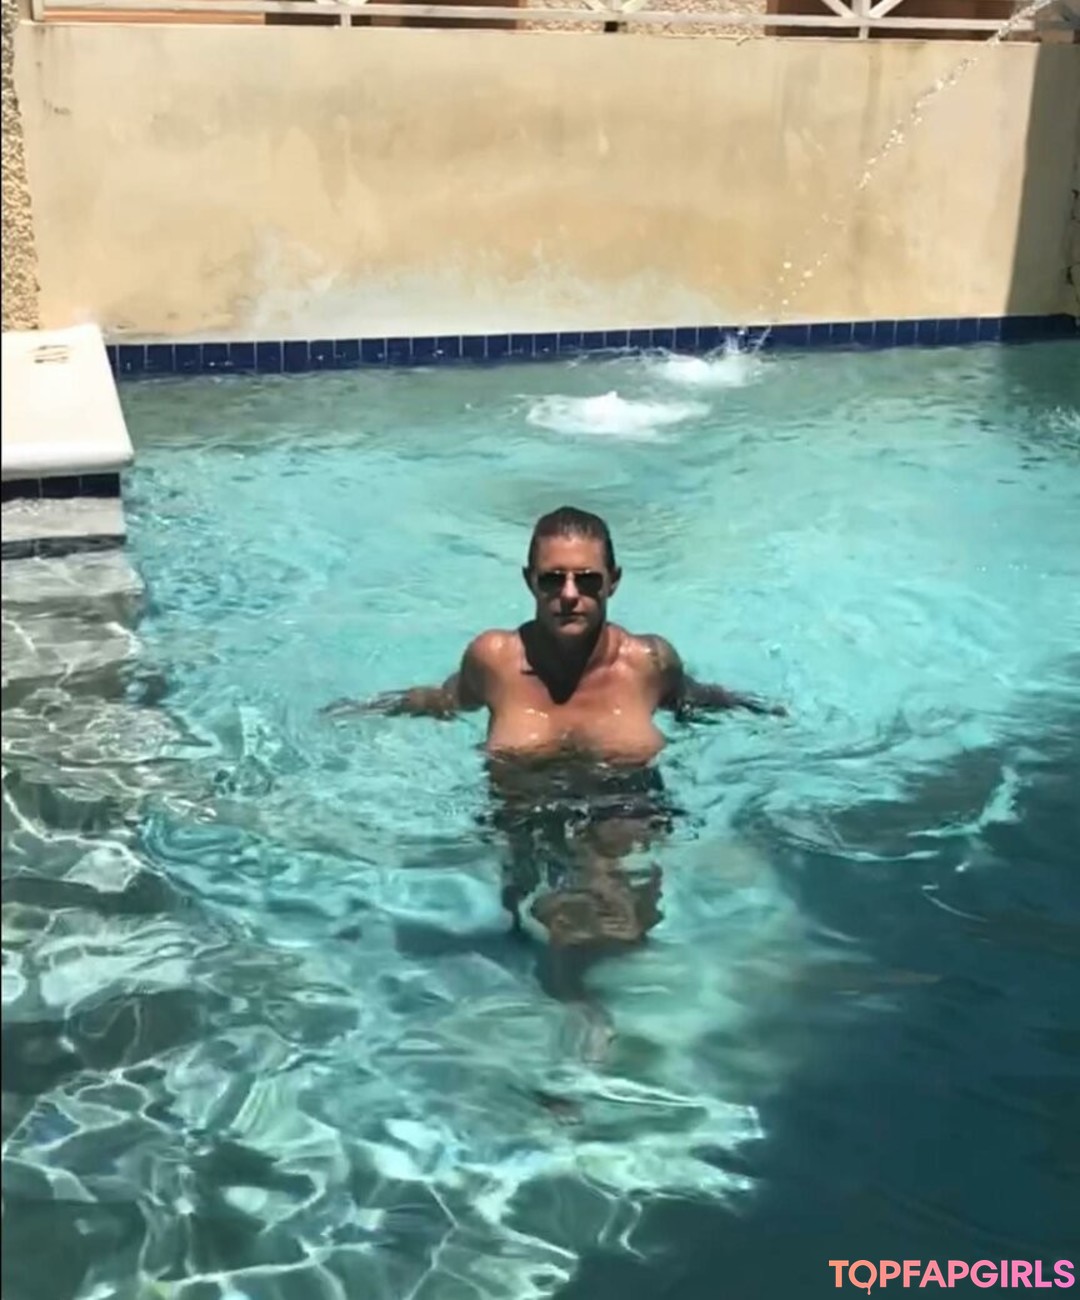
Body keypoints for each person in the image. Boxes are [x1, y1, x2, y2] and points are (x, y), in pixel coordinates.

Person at [324, 506, 785, 986]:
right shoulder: (495, 660)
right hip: (523, 817)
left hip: (625, 814)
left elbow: (692, 698)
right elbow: (447, 699)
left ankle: (597, 1000)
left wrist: (761, 711)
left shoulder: (648, 663)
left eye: (586, 580)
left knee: (621, 931)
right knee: (539, 935)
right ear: (530, 581)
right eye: (552, 579)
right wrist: (369, 708)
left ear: (613, 582)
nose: (568, 594)